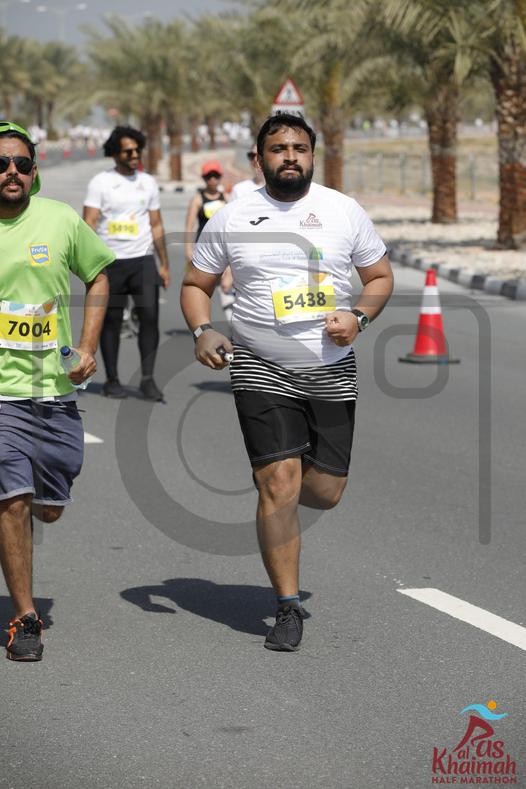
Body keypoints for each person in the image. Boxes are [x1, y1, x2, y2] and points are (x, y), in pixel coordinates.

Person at [181, 112, 394, 652]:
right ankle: (287, 606)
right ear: (259, 158)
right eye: (279, 149)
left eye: (300, 147)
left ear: (313, 155)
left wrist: (359, 317)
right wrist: (204, 329)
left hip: (330, 367)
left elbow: (379, 276)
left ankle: (293, 479)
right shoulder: (232, 217)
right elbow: (195, 283)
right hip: (259, 363)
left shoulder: (343, 210)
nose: (290, 156)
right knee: (278, 484)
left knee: (324, 492)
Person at [0, 121, 112, 661]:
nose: (11, 172)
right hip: (2, 393)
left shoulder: (60, 219)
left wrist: (87, 346)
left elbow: (98, 275)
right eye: (1, 164)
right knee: (11, 499)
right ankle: (25, 618)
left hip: (54, 390)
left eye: (21, 163)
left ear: (34, 171)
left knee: (48, 508)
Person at [83, 125, 170, 401]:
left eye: (137, 150)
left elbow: (156, 224)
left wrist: (164, 264)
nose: (134, 155)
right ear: (115, 153)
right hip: (111, 262)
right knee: (110, 321)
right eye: (128, 151)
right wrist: (88, 263)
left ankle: (147, 379)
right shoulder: (101, 183)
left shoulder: (148, 182)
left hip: (143, 261)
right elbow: (89, 223)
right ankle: (112, 380)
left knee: (150, 319)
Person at [184, 161, 232, 320]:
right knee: (203, 290)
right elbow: (189, 226)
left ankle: (233, 326)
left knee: (226, 288)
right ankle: (203, 325)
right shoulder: (198, 199)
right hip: (204, 251)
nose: (212, 179)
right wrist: (188, 251)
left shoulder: (226, 198)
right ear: (204, 178)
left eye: (215, 176)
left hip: (224, 250)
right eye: (209, 176)